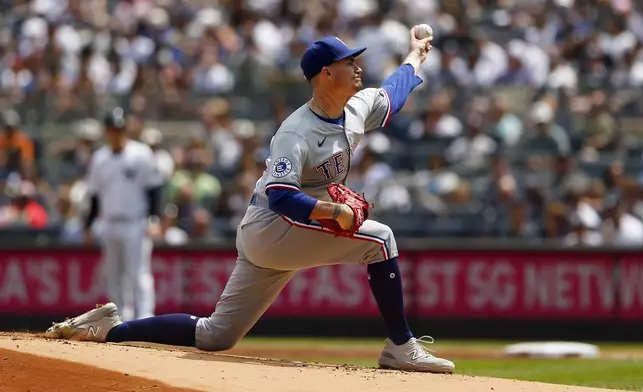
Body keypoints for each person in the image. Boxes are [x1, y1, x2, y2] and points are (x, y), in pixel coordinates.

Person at [45, 28, 455, 373]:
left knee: (215, 335)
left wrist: (416, 54)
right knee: (380, 239)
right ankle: (401, 345)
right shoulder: (296, 131)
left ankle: (109, 329)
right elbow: (280, 196)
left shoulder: (355, 108)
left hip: (283, 233)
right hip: (272, 227)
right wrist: (333, 210)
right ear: (327, 74)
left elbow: (394, 92)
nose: (358, 66)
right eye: (350, 62)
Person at [82, 108, 164, 321]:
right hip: (109, 222)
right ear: (106, 131)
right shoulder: (100, 159)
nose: (115, 132)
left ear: (125, 129)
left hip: (135, 222)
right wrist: (89, 225)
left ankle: (146, 317)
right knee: (114, 275)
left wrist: (154, 218)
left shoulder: (141, 153)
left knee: (138, 272)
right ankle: (120, 319)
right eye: (111, 129)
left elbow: (154, 189)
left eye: (119, 128)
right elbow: (94, 196)